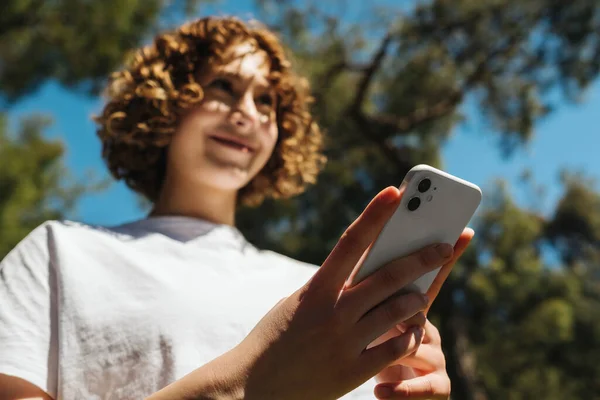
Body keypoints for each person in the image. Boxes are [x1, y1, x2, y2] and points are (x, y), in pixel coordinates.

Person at [0, 16, 474, 400]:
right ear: (167, 102)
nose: (248, 111)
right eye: (224, 87)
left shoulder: (323, 291)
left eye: (266, 99)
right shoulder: (61, 252)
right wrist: (250, 384)